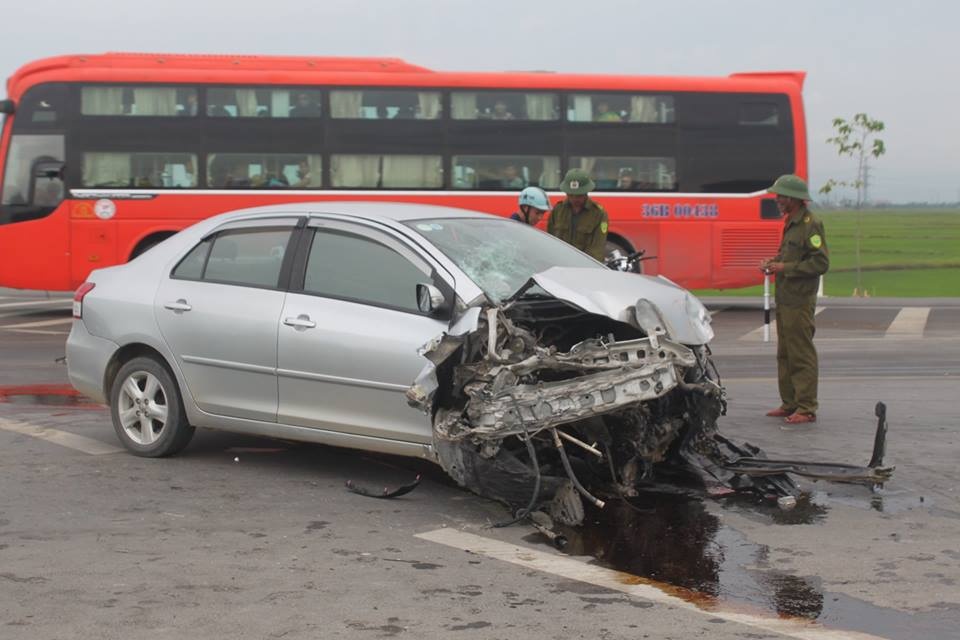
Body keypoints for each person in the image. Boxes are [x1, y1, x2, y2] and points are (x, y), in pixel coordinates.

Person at [759, 174, 829, 426]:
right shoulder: (791, 222)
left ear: (794, 199)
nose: (777, 199)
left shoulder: (811, 224)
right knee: (785, 353)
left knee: (801, 354)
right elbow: (789, 254)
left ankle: (806, 407)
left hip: (800, 300)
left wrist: (784, 266)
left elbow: (820, 263)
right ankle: (789, 403)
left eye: (781, 196)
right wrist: (773, 262)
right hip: (786, 297)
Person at [547, 168, 609, 261]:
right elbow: (550, 240)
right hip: (560, 263)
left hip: (584, 266)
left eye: (579, 195)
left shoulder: (598, 214)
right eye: (570, 195)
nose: (574, 199)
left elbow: (597, 249)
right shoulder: (558, 210)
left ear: (586, 192)